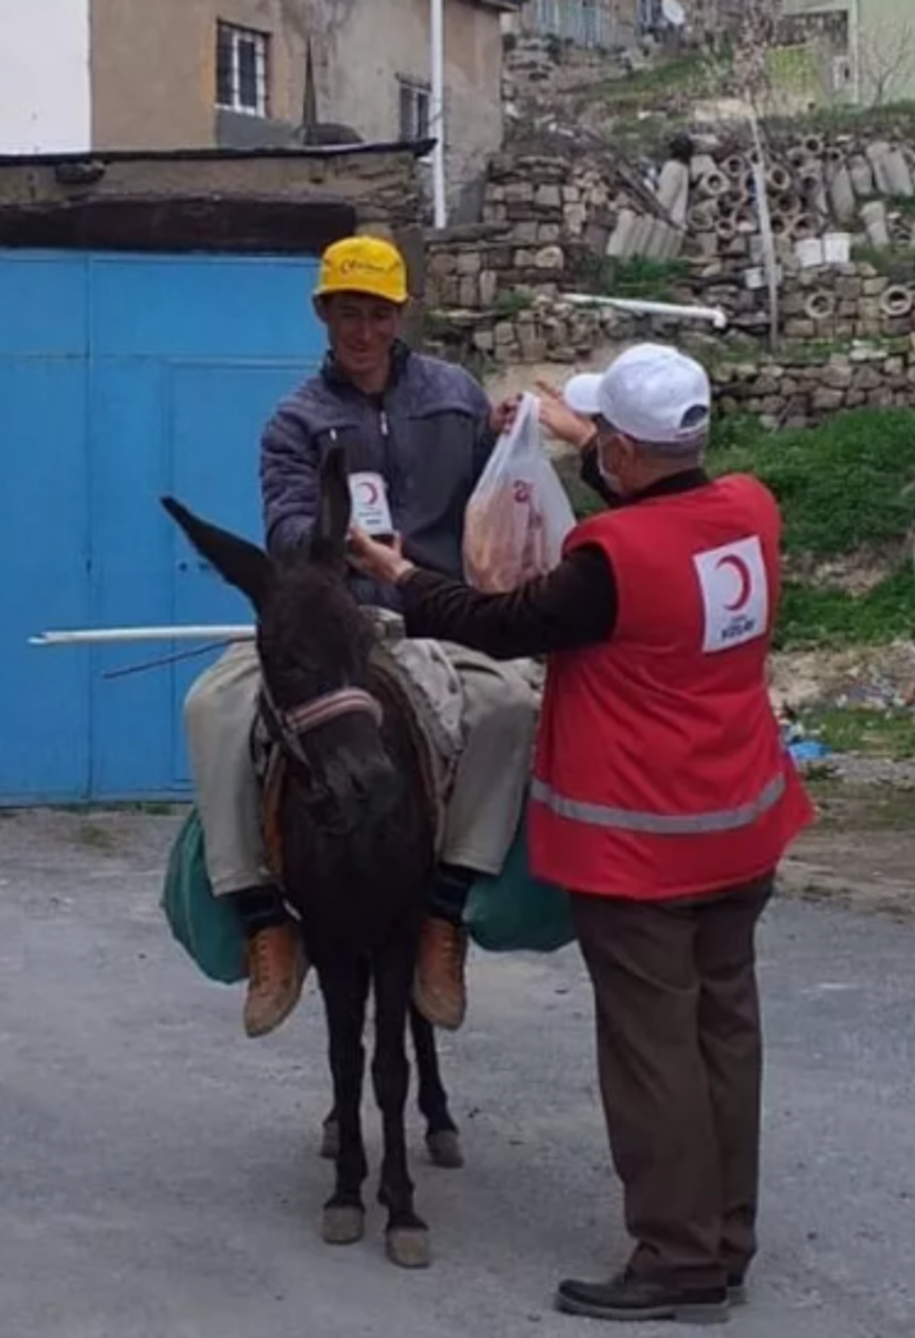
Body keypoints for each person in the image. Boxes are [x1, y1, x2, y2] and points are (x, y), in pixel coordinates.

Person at [347, 342, 814, 1325]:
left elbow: (496, 620)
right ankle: (726, 1241)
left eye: (602, 437)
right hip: (742, 827)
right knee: (725, 1036)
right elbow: (665, 510)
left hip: (646, 848)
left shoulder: (609, 562)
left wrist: (401, 572)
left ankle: (678, 1260)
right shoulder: (750, 509)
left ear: (625, 453)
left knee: (654, 1053)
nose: (591, 446)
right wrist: (574, 436)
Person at [182, 234, 539, 1042]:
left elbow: (499, 494)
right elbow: (284, 525)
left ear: (400, 314)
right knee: (211, 708)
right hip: (332, 624)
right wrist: (334, 543)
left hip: (436, 617)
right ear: (323, 314)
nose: (363, 330)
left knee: (511, 704)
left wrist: (515, 438)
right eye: (348, 312)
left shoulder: (457, 397)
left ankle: (446, 910)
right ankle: (262, 917)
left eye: (378, 313)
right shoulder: (294, 421)